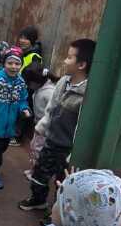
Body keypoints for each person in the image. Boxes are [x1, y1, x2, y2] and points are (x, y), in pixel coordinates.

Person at [19, 38, 96, 211]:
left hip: (68, 150)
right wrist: (42, 128)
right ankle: (38, 200)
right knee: (39, 174)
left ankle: (58, 212)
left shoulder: (87, 93)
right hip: (52, 141)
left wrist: (73, 154)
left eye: (69, 57)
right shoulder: (63, 82)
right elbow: (51, 109)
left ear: (81, 64)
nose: (65, 61)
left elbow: (81, 128)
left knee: (64, 183)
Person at [0, 47, 31, 190]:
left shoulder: (21, 82)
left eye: (17, 63)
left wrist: (24, 108)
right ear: (4, 63)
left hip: (9, 125)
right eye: (10, 63)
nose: (13, 66)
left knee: (1, 148)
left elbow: (22, 99)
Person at [24, 72, 59, 180]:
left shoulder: (49, 92)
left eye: (29, 83)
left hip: (45, 127)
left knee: (38, 149)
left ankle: (36, 173)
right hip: (39, 124)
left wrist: (43, 125)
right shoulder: (40, 89)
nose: (28, 85)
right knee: (34, 147)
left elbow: (53, 112)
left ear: (36, 82)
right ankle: (33, 170)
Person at [12, 27, 43, 146]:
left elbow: (34, 73)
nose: (22, 41)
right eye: (21, 38)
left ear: (32, 41)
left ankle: (17, 137)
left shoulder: (34, 56)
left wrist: (26, 87)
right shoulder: (21, 53)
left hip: (27, 90)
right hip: (18, 87)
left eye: (26, 39)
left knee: (23, 112)